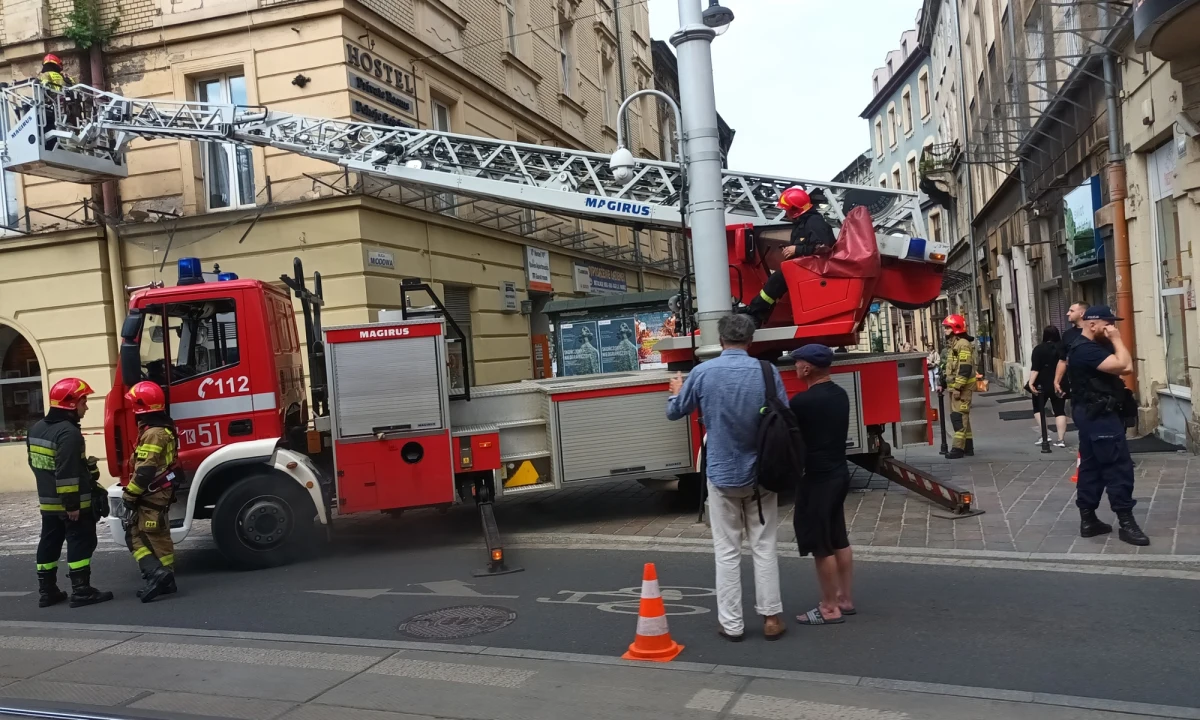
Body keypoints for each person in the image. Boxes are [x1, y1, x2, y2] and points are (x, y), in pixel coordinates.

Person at [665, 314, 786, 642]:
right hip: (762, 475)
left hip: (721, 475)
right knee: (764, 546)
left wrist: (676, 391)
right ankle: (771, 618)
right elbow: (782, 416)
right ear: (751, 341)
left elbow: (675, 412)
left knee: (727, 551)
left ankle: (732, 624)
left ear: (720, 341)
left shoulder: (703, 373)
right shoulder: (767, 371)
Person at [1065, 306, 1149, 546]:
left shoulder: (1089, 346)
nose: (1112, 328)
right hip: (1099, 415)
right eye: (1108, 324)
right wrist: (1117, 339)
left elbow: (1122, 366)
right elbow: (1126, 366)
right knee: (1118, 466)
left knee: (1091, 465)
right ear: (1092, 325)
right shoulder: (1086, 350)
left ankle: (1088, 520)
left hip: (1092, 413)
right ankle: (1126, 522)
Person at [28, 378, 114, 608]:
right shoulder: (68, 433)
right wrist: (71, 505)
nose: (86, 407)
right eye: (83, 402)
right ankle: (81, 591)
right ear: (71, 404)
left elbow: (37, 465)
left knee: (49, 542)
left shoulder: (36, 429)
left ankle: (47, 591)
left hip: (48, 502)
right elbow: (66, 471)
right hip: (73, 503)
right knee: (81, 541)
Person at [788, 344, 855, 626]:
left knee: (821, 544)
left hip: (817, 479)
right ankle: (845, 598)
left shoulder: (802, 403)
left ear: (807, 368)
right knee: (838, 537)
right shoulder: (841, 395)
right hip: (839, 474)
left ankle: (829, 608)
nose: (794, 366)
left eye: (797, 362)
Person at [122, 381, 182, 602]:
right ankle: (166, 579)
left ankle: (157, 574)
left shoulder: (153, 433)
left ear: (141, 407)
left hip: (152, 493)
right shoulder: (159, 428)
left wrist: (130, 494)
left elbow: (145, 470)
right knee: (157, 535)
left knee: (140, 535)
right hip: (158, 492)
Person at [744, 186, 836, 327]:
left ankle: (755, 311)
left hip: (817, 269)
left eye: (787, 210)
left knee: (778, 278)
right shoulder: (805, 222)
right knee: (778, 279)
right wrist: (795, 250)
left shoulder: (814, 222)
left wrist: (796, 249)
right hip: (811, 267)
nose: (785, 213)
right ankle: (759, 313)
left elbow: (824, 246)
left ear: (795, 210)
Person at [940, 314, 976, 459]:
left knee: (959, 417)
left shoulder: (963, 344)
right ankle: (968, 447)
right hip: (956, 388)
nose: (945, 330)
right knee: (962, 417)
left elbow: (965, 368)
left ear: (956, 328)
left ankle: (958, 449)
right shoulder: (955, 345)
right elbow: (950, 368)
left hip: (962, 389)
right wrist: (944, 384)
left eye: (947, 328)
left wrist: (957, 387)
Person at [1029, 325, 1068, 447]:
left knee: (1038, 408)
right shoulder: (1062, 348)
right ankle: (1061, 440)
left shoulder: (1038, 349)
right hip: (1059, 382)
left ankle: (1045, 436)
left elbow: (1035, 369)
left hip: (1042, 383)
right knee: (1060, 410)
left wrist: (1030, 382)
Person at [1054, 301, 1088, 398]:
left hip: (1096, 385)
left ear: (1082, 313)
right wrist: (1056, 381)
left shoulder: (1094, 331)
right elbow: (1063, 360)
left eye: (1071, 311)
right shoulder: (1067, 334)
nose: (1067, 313)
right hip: (1076, 386)